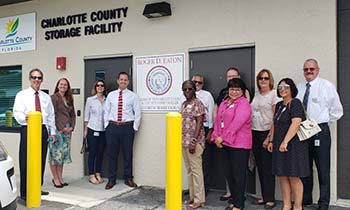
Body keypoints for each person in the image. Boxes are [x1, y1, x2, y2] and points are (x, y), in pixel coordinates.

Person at [297, 59, 343, 210]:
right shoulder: (300, 87)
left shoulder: (326, 86)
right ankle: (306, 199)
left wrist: (322, 124)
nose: (308, 71)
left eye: (311, 69)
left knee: (323, 168)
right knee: (305, 167)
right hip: (303, 131)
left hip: (319, 131)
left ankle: (323, 203)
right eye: (306, 69)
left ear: (318, 69)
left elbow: (337, 110)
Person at [13, 68, 56, 200]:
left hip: (42, 130)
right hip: (28, 129)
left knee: (41, 160)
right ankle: (25, 192)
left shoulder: (45, 97)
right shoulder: (22, 95)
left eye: (39, 78)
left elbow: (51, 116)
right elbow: (17, 112)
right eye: (34, 77)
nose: (36, 80)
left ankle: (37, 188)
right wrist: (25, 118)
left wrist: (52, 133)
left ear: (42, 80)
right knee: (26, 160)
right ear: (29, 79)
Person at [267, 78, 310, 210]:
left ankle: (297, 206)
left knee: (293, 176)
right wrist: (271, 140)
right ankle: (286, 205)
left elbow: (296, 123)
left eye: (286, 87)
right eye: (280, 87)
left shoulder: (295, 103)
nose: (282, 89)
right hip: (279, 144)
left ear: (291, 89)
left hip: (293, 145)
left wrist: (285, 141)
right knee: (282, 175)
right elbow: (275, 124)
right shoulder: (279, 105)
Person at [211, 78, 252, 210]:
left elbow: (237, 123)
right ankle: (234, 200)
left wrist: (222, 138)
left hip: (239, 145)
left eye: (237, 89)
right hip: (225, 144)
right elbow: (217, 120)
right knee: (229, 173)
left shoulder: (244, 104)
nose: (234, 92)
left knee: (238, 175)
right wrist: (216, 136)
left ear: (242, 91)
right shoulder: (224, 103)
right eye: (232, 89)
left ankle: (239, 204)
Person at [104, 72, 141, 190]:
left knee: (127, 154)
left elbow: (138, 113)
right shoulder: (111, 95)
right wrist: (107, 126)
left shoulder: (133, 96)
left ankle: (128, 178)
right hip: (113, 127)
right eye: (121, 79)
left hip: (127, 128)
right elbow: (106, 111)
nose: (123, 81)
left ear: (128, 82)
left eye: (125, 80)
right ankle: (111, 179)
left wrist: (134, 128)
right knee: (112, 155)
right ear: (117, 81)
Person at [251, 69, 277, 209]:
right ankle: (264, 196)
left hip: (266, 133)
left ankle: (271, 199)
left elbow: (275, 119)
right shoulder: (256, 95)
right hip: (255, 132)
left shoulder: (273, 95)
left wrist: (269, 138)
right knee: (260, 167)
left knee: (267, 167)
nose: (263, 80)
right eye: (260, 78)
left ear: (270, 80)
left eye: (266, 78)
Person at [180, 80, 206, 209]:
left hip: (194, 143)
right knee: (189, 170)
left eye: (189, 89)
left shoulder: (198, 103)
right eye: (184, 89)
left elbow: (200, 123)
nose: (187, 92)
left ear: (194, 89)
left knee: (196, 171)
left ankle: (199, 199)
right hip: (184, 142)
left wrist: (193, 142)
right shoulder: (184, 104)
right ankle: (192, 197)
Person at [49, 78, 76, 188]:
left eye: (65, 85)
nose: (63, 86)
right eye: (61, 84)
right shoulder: (53, 98)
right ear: (57, 85)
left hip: (67, 131)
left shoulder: (69, 98)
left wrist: (72, 127)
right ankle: (55, 178)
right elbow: (52, 115)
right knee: (54, 155)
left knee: (62, 156)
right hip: (56, 131)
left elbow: (73, 114)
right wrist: (61, 128)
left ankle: (60, 177)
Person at [192, 74, 215, 195]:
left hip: (204, 129)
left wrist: (211, 131)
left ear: (203, 84)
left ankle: (204, 188)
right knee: (192, 161)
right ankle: (194, 189)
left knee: (204, 160)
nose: (196, 84)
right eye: (194, 82)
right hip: (189, 131)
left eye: (199, 82)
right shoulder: (185, 95)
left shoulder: (207, 95)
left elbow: (211, 112)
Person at [84, 80, 106, 184]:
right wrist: (85, 130)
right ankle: (91, 174)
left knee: (100, 152)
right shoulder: (90, 100)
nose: (100, 87)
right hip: (92, 128)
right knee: (92, 152)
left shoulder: (107, 100)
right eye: (98, 85)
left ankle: (98, 173)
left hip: (103, 130)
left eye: (102, 85)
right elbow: (86, 116)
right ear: (95, 87)